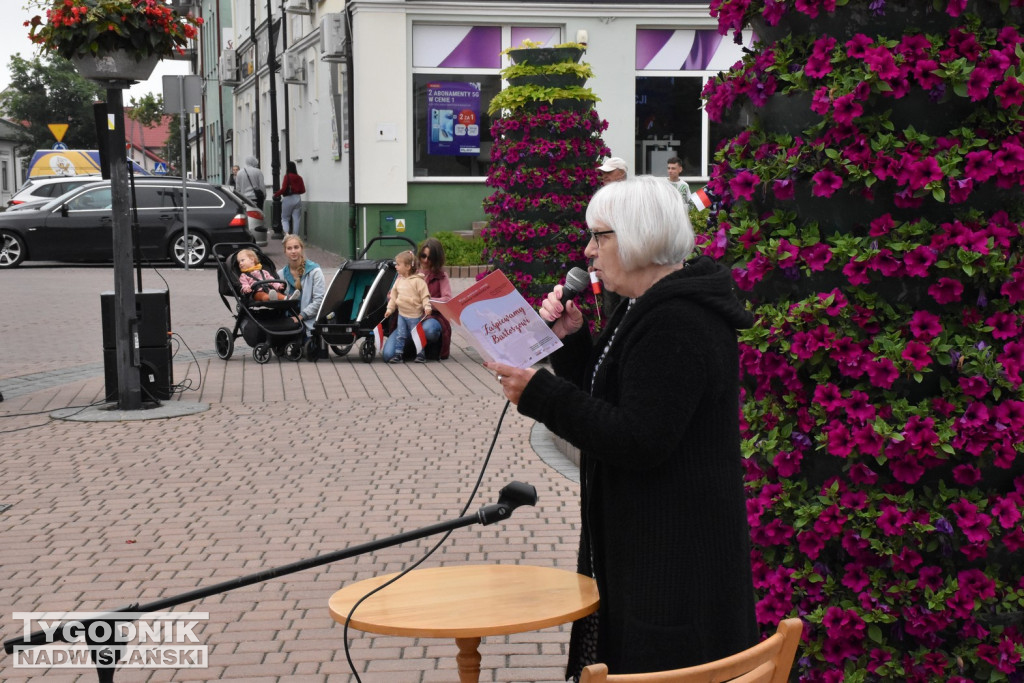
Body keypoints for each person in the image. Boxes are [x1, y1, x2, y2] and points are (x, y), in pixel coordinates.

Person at [483, 176, 759, 678]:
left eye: (599, 236)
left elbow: (638, 438)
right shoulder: (643, 305)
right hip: (650, 553)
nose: (588, 251)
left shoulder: (677, 321)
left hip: (675, 566)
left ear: (639, 236)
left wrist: (541, 394)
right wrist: (569, 342)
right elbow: (614, 396)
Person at [382, 250, 432, 364]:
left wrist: (427, 307)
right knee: (401, 334)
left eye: (398, 264)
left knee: (416, 335)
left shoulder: (418, 282)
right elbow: (393, 297)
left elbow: (425, 296)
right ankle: (399, 354)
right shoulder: (399, 281)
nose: (396, 266)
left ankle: (420, 354)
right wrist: (390, 309)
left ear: (408, 267)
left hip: (415, 315)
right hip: (402, 314)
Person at [281, 234, 326, 335]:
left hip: (308, 320)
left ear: (301, 248)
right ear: (285, 251)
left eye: (296, 247)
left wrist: (301, 316)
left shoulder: (314, 271)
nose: (293, 251)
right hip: (287, 319)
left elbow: (319, 301)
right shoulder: (281, 274)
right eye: (289, 248)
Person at [417, 237, 453, 360]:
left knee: (430, 330)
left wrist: (427, 302)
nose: (426, 260)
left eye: (430, 258)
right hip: (410, 314)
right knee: (388, 354)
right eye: (423, 256)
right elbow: (391, 294)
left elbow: (448, 300)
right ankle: (414, 347)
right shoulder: (410, 270)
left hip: (432, 315)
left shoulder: (441, 275)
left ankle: (429, 346)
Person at [274, 161, 306, 237]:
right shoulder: (299, 177)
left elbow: (284, 188)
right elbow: (303, 190)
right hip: (297, 198)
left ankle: (287, 235)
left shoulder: (287, 176)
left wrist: (276, 194)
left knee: (285, 218)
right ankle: (295, 237)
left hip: (288, 198)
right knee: (296, 219)